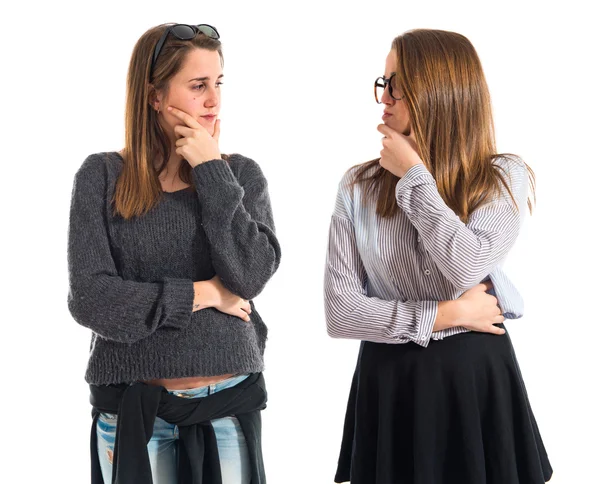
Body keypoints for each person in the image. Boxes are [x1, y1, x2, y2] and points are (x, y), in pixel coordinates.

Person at [324, 29, 552, 484]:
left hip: (474, 376)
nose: (383, 98)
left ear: (437, 91)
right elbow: (341, 314)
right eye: (383, 82)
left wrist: (414, 178)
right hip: (390, 380)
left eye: (397, 84)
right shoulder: (357, 186)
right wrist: (448, 313)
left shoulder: (502, 177)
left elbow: (467, 264)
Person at [67, 23, 281, 484]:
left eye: (218, 83)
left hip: (228, 406)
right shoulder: (102, 176)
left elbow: (250, 276)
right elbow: (91, 298)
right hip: (133, 410)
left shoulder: (240, 175)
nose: (214, 101)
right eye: (198, 85)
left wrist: (210, 171)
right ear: (154, 97)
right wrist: (203, 293)